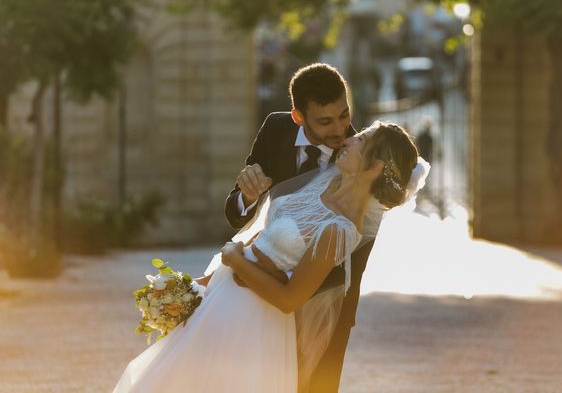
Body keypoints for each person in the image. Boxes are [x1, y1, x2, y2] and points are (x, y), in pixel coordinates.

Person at [112, 121, 426, 393]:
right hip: (221, 301)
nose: (348, 139)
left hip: (255, 326)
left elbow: (290, 298)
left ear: (374, 168)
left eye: (361, 141)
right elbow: (260, 242)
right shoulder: (321, 183)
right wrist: (197, 286)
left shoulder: (341, 230)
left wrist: (236, 260)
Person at [225, 63, 363, 392]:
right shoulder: (275, 129)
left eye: (344, 114)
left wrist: (335, 313)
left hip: (326, 302)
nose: (340, 129)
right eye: (325, 121)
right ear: (298, 116)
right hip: (258, 297)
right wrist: (246, 195)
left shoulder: (359, 156)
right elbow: (236, 214)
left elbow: (355, 254)